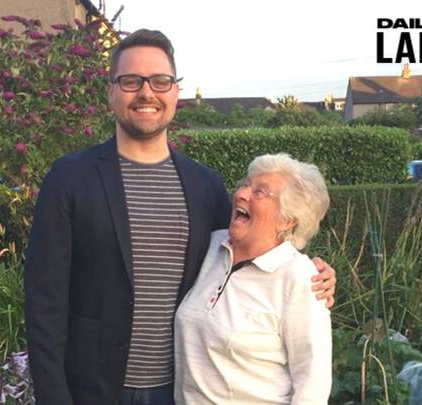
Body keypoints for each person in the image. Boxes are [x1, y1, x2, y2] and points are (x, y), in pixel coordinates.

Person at [25, 29, 336, 405]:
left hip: (178, 392)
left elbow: (251, 248)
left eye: (160, 81)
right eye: (130, 81)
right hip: (92, 389)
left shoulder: (204, 185)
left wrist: (312, 274)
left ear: (175, 92)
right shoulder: (70, 177)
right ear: (111, 92)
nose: (146, 92)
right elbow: (45, 300)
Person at [175, 153, 332, 404]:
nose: (241, 194)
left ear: (288, 220)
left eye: (260, 191)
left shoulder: (299, 279)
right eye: (245, 184)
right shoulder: (211, 247)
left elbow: (312, 382)